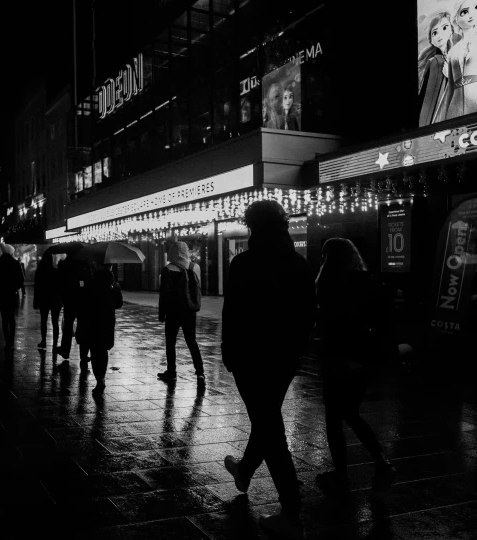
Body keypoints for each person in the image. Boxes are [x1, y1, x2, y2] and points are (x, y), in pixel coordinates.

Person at [221, 200, 316, 540]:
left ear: (252, 226)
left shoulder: (244, 263)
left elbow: (232, 313)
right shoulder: (299, 264)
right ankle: (244, 470)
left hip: (250, 357)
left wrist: (228, 352)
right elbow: (308, 314)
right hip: (284, 358)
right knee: (267, 419)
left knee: (270, 430)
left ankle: (292, 513)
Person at [313, 238, 397, 499]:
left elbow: (328, 325)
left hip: (338, 358)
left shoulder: (330, 284)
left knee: (334, 417)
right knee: (350, 412)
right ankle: (382, 462)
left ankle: (340, 473)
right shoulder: (368, 282)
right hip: (363, 359)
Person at [156, 241, 205, 384]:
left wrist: (161, 313)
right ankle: (200, 373)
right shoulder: (195, 267)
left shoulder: (168, 269)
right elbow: (198, 288)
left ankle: (171, 371)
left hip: (173, 311)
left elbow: (164, 294)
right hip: (189, 311)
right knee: (192, 341)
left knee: (170, 342)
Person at [76, 264, 123, 396]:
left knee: (95, 352)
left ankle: (99, 379)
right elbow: (118, 304)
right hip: (107, 325)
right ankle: (101, 377)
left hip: (92, 324)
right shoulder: (113, 288)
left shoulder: (90, 287)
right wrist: (117, 289)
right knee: (102, 352)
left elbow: (82, 305)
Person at [445, 0, 477, 119]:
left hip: (476, 102)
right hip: (454, 107)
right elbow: (451, 86)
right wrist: (444, 117)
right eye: (464, 12)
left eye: (476, 7)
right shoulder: (452, 51)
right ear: (456, 18)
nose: (471, 14)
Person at [418, 11, 457, 126]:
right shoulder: (435, 62)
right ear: (431, 39)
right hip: (433, 119)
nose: (439, 35)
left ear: (452, 30)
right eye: (434, 32)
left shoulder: (454, 56)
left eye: (444, 28)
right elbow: (426, 99)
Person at [57, 255, 93, 366]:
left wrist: (62, 297)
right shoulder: (86, 263)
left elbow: (60, 282)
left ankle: (65, 351)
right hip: (84, 300)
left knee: (68, 326)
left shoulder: (64, 264)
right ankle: (83, 355)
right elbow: (90, 280)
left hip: (69, 300)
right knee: (83, 326)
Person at [0, 243, 22, 351]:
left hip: (1, 294)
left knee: (4, 319)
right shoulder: (16, 263)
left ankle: (7, 342)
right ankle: (12, 342)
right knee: (12, 318)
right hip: (12, 294)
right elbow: (21, 280)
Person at [34, 251, 63, 351]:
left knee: (43, 321)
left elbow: (36, 288)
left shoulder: (39, 272)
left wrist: (35, 301)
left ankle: (43, 341)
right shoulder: (56, 271)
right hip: (55, 300)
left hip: (44, 299)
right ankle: (55, 343)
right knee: (55, 322)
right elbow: (60, 286)